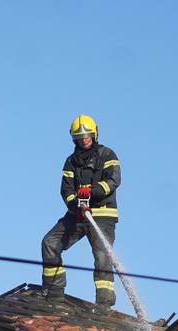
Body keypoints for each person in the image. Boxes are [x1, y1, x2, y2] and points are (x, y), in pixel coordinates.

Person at [40, 114, 121, 307]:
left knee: (102, 255)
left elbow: (113, 181)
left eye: (87, 135)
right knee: (50, 243)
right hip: (76, 215)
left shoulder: (107, 155)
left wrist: (91, 192)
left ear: (94, 135)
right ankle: (53, 292)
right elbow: (65, 189)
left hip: (102, 214)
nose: (83, 139)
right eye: (79, 137)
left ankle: (104, 304)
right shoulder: (71, 162)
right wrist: (74, 204)